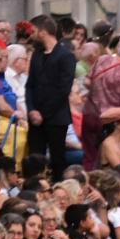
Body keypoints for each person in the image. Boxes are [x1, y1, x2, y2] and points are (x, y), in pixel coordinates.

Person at [25, 15, 77, 179]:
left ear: (43, 32)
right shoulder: (37, 55)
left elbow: (63, 90)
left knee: (57, 159)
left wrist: (43, 113)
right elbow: (30, 85)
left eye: (33, 31)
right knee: (35, 158)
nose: (31, 35)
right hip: (36, 118)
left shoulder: (65, 56)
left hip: (56, 117)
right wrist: (32, 110)